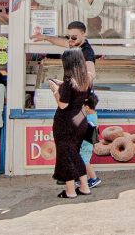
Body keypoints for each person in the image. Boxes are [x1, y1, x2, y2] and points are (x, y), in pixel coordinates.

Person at [49, 47, 93, 198]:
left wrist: (55, 90)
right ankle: (85, 187)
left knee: (65, 155)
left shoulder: (69, 81)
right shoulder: (86, 78)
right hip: (80, 120)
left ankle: (70, 191)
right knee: (75, 153)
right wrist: (62, 85)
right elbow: (81, 95)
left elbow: (63, 104)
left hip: (65, 122)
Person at [32, 21, 97, 81]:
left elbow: (91, 73)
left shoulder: (86, 51)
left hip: (77, 91)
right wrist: (45, 37)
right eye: (68, 37)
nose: (70, 40)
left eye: (74, 37)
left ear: (83, 34)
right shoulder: (76, 44)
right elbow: (62, 42)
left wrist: (76, 84)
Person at [78, 91, 101, 189]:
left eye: (82, 106)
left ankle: (94, 178)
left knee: (85, 161)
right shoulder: (93, 114)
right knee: (83, 161)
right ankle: (86, 179)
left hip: (86, 143)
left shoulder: (88, 118)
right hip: (87, 142)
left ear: (87, 107)